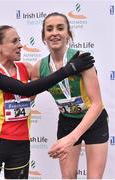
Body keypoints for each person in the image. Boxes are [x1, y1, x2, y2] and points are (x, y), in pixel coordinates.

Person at [0, 25, 94, 179]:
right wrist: (69, 69)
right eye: (14, 41)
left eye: (20, 40)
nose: (20, 45)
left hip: (21, 143)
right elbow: (25, 90)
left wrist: (75, 66)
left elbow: (47, 75)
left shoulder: (27, 68)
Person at [31, 12, 109, 179]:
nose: (55, 33)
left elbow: (97, 104)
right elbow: (27, 97)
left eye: (60, 28)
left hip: (94, 120)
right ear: (44, 36)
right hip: (67, 120)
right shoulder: (39, 67)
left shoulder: (81, 59)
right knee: (67, 177)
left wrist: (71, 138)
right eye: (49, 29)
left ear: (68, 34)